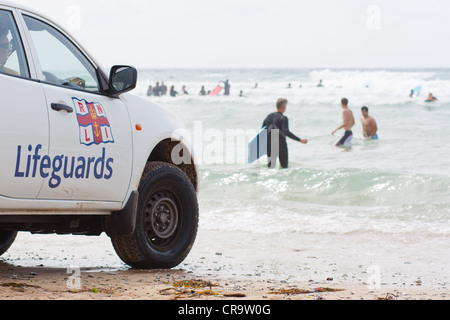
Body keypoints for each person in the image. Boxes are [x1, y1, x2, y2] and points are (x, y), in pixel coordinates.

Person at [262, 98, 308, 169]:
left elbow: (262, 131)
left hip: (270, 145)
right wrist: (300, 140)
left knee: (270, 168)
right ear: (284, 107)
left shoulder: (268, 117)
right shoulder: (283, 118)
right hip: (281, 145)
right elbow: (286, 131)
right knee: (284, 167)